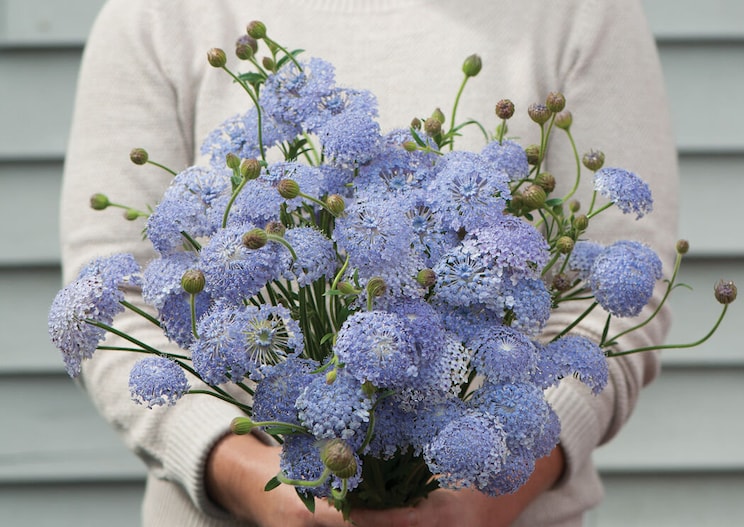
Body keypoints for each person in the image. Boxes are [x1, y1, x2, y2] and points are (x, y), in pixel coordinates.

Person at [60, 0, 678, 525]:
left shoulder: (583, 13)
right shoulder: (159, 15)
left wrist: (484, 496)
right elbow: (112, 299)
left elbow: (627, 296)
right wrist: (244, 475)